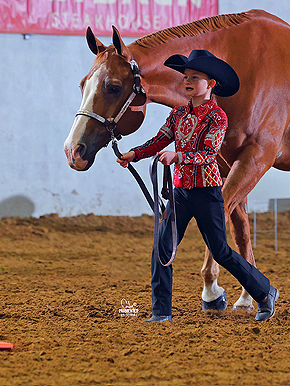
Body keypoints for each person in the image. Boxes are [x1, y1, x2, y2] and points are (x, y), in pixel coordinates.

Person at [117, 50, 279, 323]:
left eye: (195, 77)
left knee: (221, 251)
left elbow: (207, 154)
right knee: (162, 248)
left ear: (211, 84)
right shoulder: (179, 114)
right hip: (180, 192)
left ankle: (264, 292)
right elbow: (160, 139)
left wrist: (178, 156)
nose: (187, 81)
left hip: (207, 192)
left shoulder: (218, 118)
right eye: (186, 77)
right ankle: (161, 312)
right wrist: (136, 153)